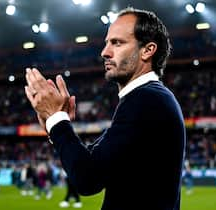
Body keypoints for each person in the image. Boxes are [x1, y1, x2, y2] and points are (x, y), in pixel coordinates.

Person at [25, 7, 186, 210]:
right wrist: (55, 126)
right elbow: (92, 162)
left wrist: (57, 119)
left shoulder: (147, 100)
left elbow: (87, 178)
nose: (105, 52)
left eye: (117, 43)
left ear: (147, 50)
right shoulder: (150, 98)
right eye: (107, 43)